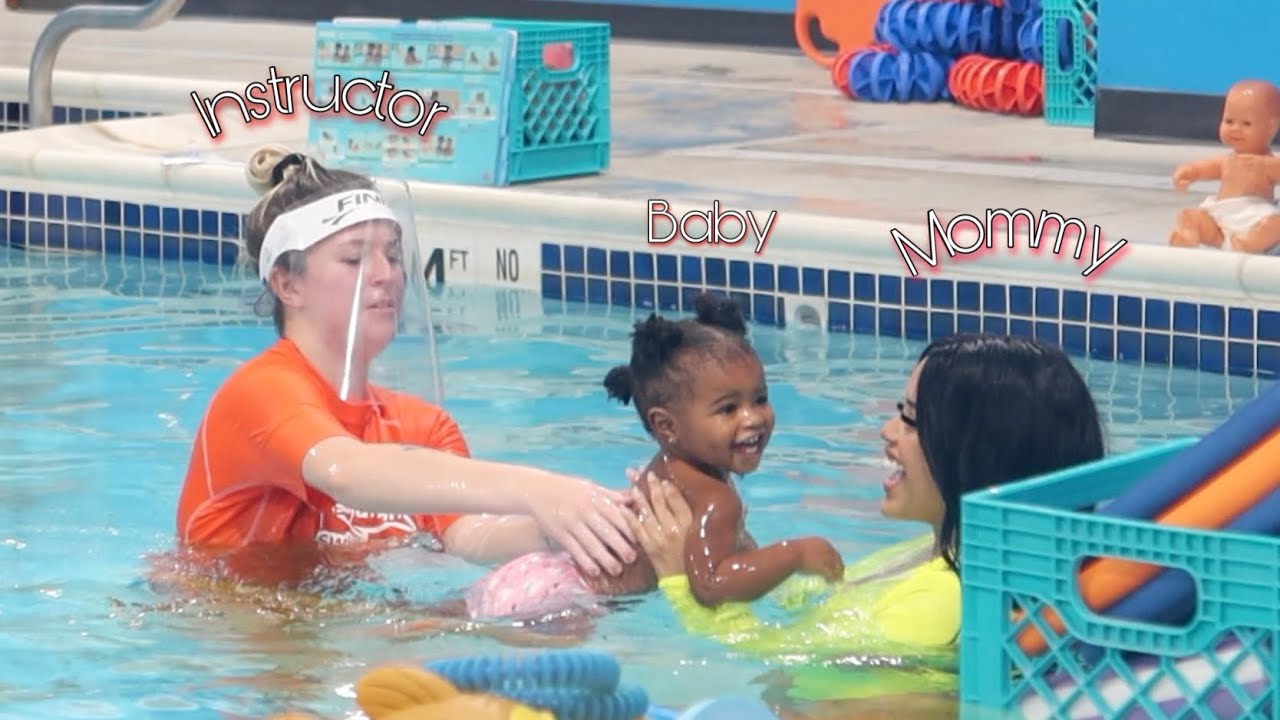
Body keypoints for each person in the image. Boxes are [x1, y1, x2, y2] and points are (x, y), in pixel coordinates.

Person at [173, 145, 637, 587]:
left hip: (343, 621)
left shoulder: (422, 427)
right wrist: (540, 489)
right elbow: (344, 473)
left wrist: (580, 524)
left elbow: (467, 536)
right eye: (354, 258)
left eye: (393, 255)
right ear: (287, 285)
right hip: (233, 629)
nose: (386, 274)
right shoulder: (260, 391)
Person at [628, 333, 1105, 668]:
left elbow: (772, 659)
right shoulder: (937, 554)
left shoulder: (948, 601)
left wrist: (678, 583)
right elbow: (824, 606)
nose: (887, 431)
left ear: (974, 452)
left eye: (911, 420)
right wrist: (753, 558)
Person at [458, 292, 843, 622]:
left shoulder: (674, 469)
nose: (752, 418)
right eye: (728, 409)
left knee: (444, 620)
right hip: (567, 600)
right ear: (667, 426)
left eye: (760, 399)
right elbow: (712, 585)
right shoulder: (716, 499)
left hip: (538, 573)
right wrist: (796, 554)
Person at [1169, 79, 1280, 254]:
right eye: (1229, 121)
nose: (1235, 128)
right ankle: (1186, 238)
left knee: (1275, 224)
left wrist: (1267, 166)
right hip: (1220, 216)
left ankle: (1246, 245)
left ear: (1271, 127)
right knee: (1189, 216)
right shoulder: (1227, 160)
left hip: (1254, 216)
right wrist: (1189, 172)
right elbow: (1205, 168)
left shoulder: (1268, 163)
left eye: (1246, 124)